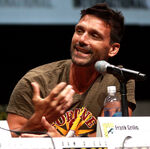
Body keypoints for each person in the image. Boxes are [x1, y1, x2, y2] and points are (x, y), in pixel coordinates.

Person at [6, 3, 136, 138]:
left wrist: (62, 143)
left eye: (94, 35)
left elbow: (113, 136)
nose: (82, 39)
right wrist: (39, 119)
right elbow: (10, 141)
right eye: (79, 31)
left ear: (113, 49)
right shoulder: (36, 82)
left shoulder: (119, 79)